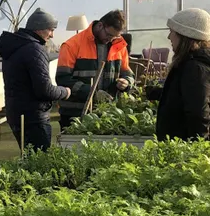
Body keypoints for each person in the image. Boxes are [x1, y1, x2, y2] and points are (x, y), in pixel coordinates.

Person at [0, 8, 72, 151]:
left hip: (16, 112)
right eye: (50, 30)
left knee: (28, 156)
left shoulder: (15, 46)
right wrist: (65, 92)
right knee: (39, 161)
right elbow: (44, 90)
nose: (52, 35)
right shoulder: (34, 49)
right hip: (33, 116)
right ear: (39, 29)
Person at [56, 9, 135, 129]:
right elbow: (63, 79)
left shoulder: (119, 46)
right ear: (100, 25)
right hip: (75, 113)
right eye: (108, 35)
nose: (110, 39)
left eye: (114, 36)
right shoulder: (71, 45)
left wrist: (126, 82)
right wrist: (93, 93)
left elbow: (128, 73)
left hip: (107, 112)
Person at [145, 8, 210, 141]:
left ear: (184, 36)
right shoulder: (190, 63)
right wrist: (156, 93)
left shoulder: (195, 68)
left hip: (183, 151)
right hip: (178, 148)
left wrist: (197, 149)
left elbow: (199, 114)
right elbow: (185, 94)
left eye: (172, 32)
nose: (169, 37)